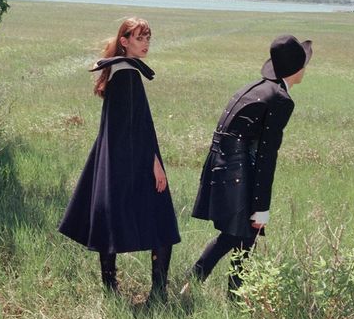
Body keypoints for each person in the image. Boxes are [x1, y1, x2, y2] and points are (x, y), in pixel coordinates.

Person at [58, 17, 180, 302]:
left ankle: (110, 288)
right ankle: (158, 294)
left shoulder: (116, 69)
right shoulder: (127, 75)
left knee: (109, 221)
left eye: (148, 38)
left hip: (114, 158)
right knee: (162, 225)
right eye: (140, 38)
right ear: (124, 41)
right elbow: (135, 126)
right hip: (133, 159)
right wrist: (154, 163)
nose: (146, 43)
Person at [183, 34, 312, 296]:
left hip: (223, 166)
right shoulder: (280, 99)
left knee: (240, 236)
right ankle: (209, 289)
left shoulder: (254, 87)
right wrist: (261, 209)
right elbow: (266, 156)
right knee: (239, 235)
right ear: (298, 69)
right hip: (238, 171)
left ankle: (210, 290)